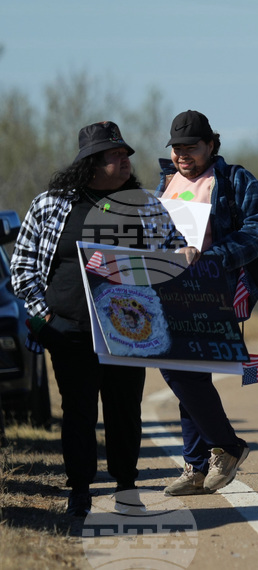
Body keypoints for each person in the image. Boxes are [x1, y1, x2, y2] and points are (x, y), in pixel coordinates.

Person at [11, 121, 195, 516]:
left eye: (126, 153)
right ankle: (80, 490)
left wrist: (186, 256)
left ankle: (127, 489)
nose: (125, 159)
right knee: (78, 410)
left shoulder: (146, 205)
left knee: (125, 409)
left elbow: (174, 252)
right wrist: (44, 318)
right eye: (115, 154)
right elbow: (22, 266)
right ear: (92, 163)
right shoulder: (50, 204)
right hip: (69, 329)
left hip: (130, 329)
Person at [157, 110, 258, 496]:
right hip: (169, 291)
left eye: (190, 146)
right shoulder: (165, 183)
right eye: (176, 148)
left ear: (211, 144)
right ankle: (197, 465)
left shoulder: (235, 180)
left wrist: (216, 256)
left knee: (181, 370)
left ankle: (224, 446)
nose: (182, 154)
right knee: (185, 372)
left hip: (215, 290)